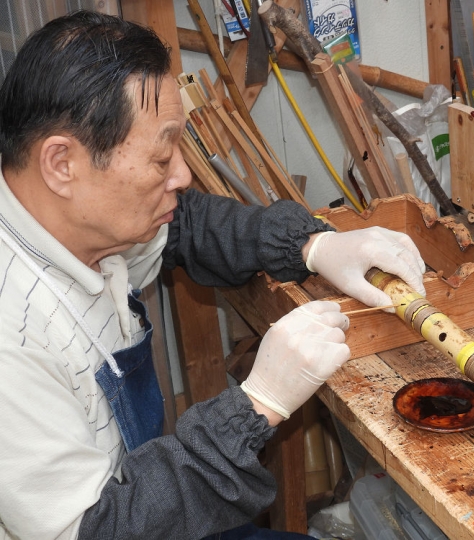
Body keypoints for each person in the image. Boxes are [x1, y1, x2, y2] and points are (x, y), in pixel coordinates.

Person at [0, 11, 426, 540]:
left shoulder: (76, 223)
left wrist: (312, 245)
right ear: (62, 163)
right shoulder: (13, 336)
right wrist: (257, 404)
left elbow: (186, 226)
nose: (182, 174)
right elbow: (98, 531)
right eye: (162, 158)